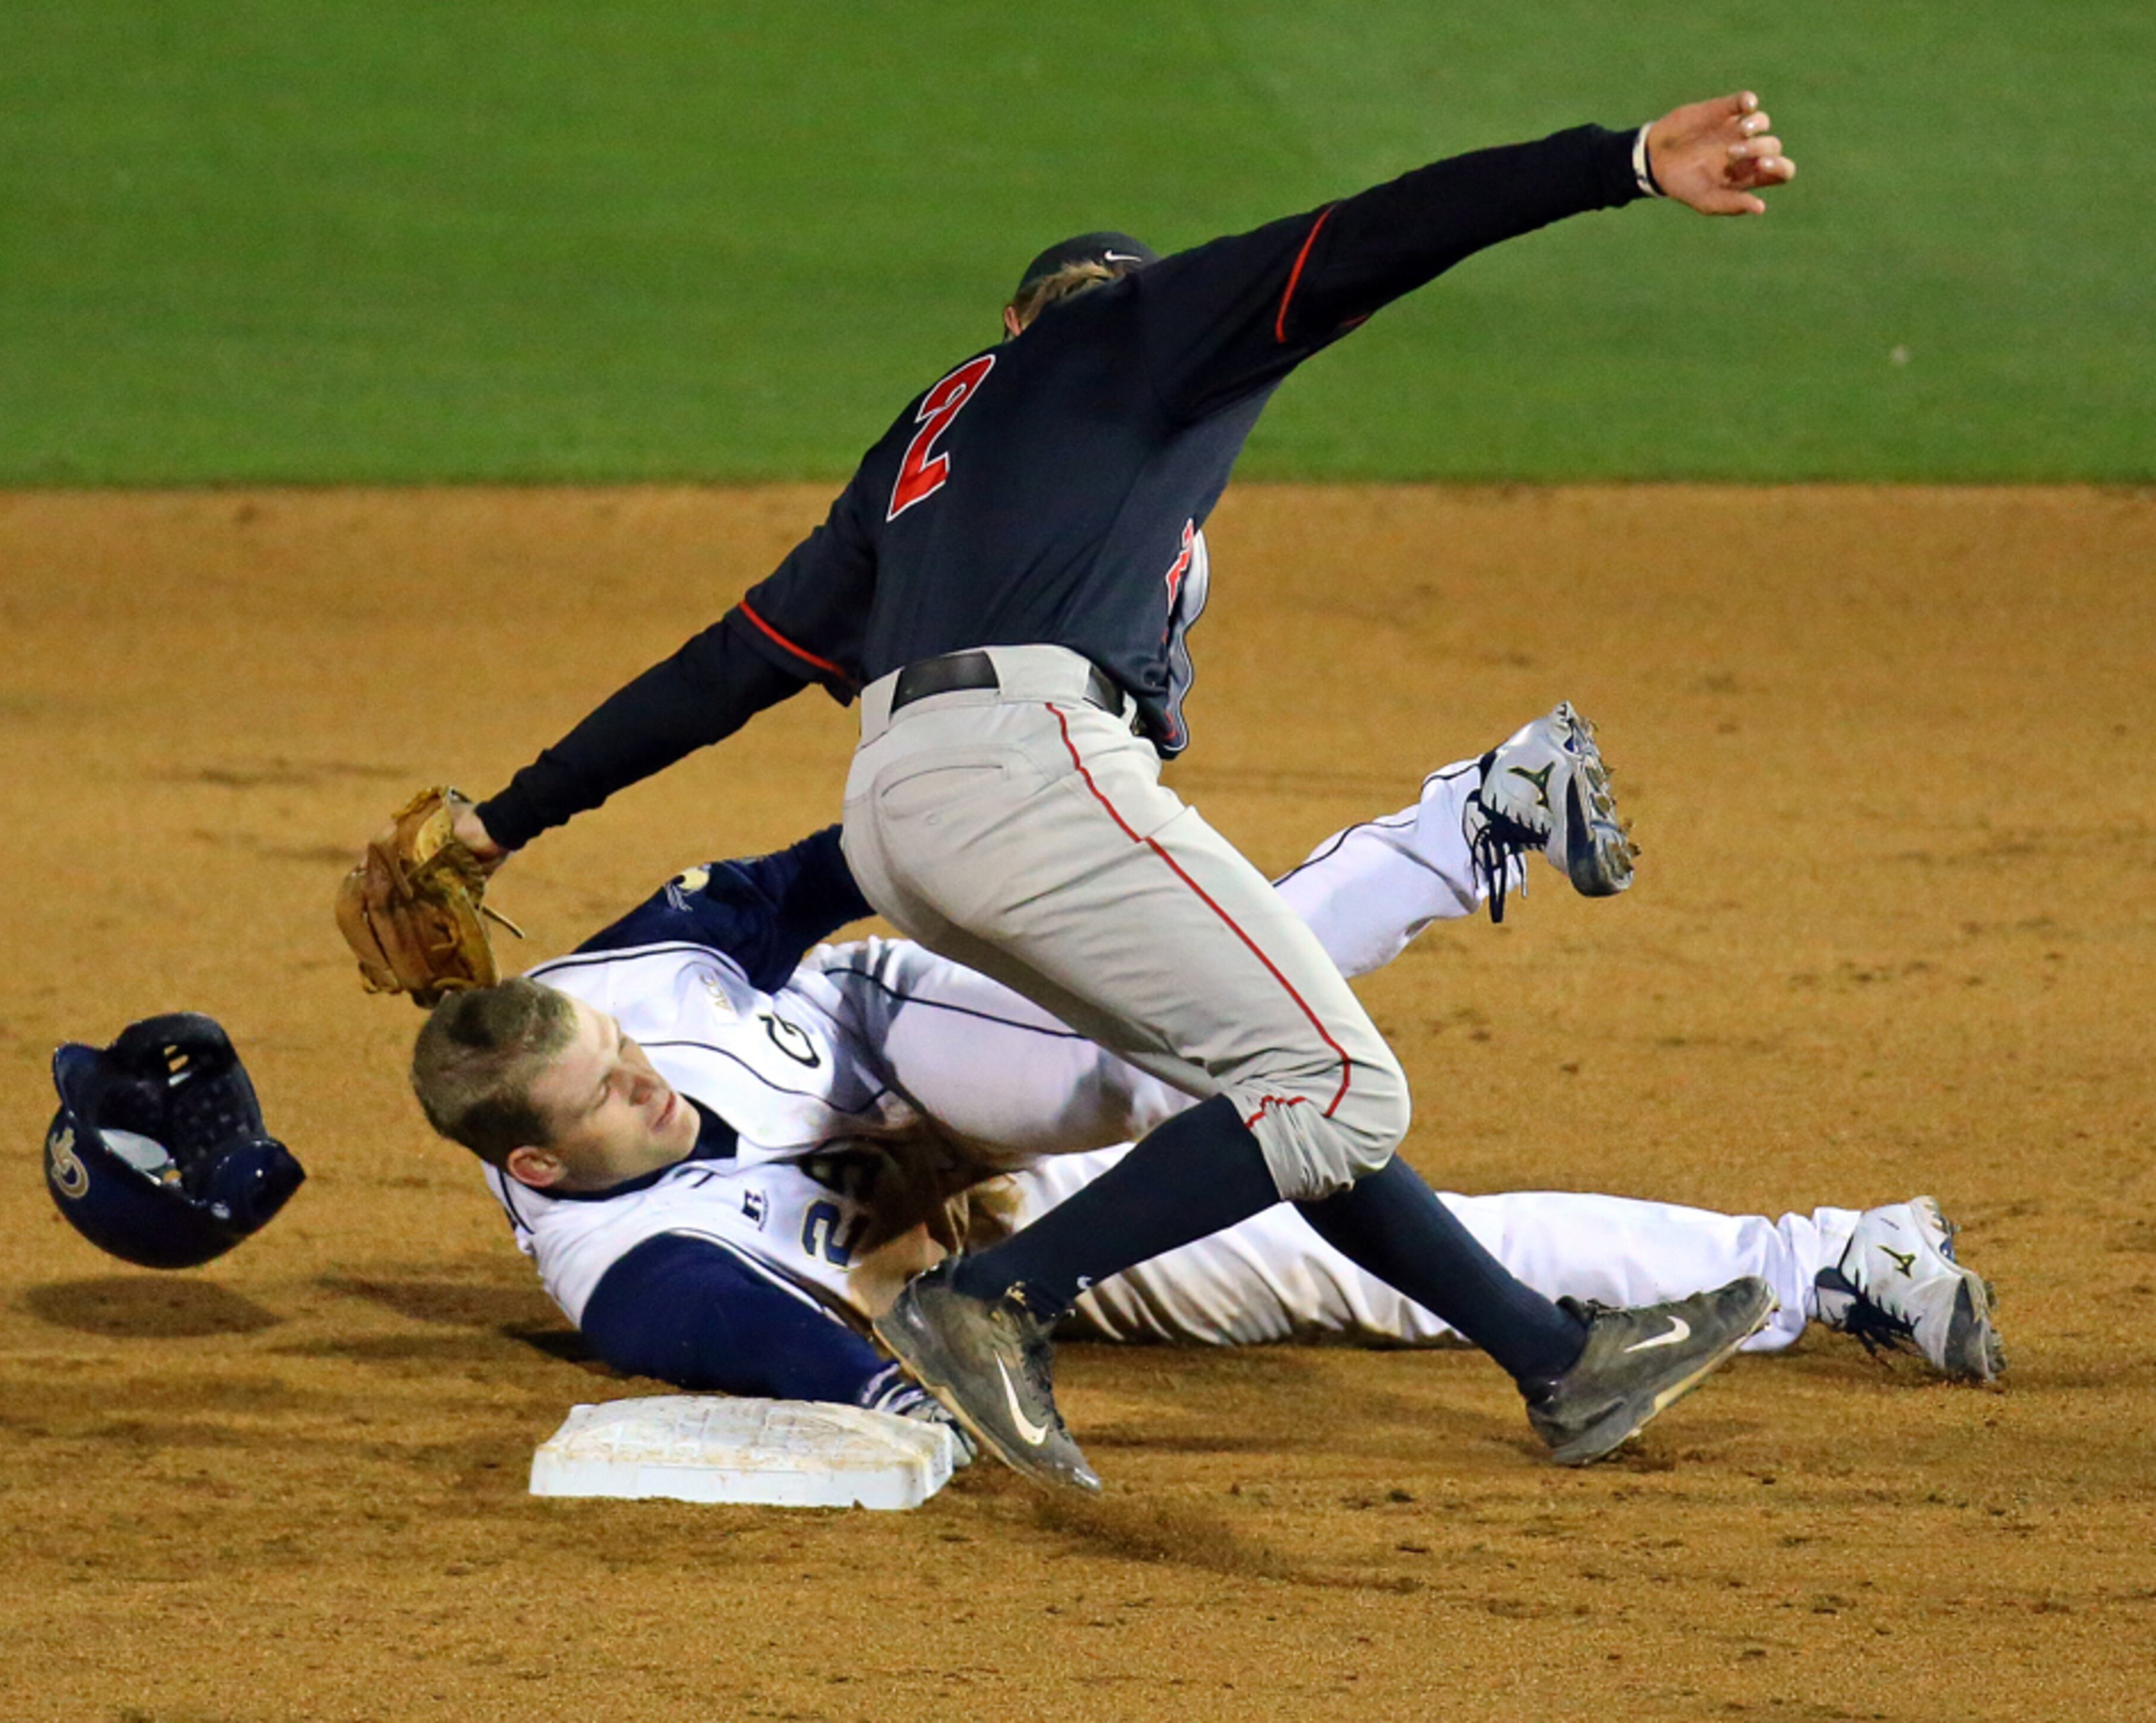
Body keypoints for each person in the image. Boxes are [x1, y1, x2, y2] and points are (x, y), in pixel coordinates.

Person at [427, 94, 1800, 1486]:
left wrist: (503, 818)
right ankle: (1000, 1296)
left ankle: (1563, 1362)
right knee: (1337, 1088)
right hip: (1025, 765)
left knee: (1252, 1085)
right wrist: (1619, 164)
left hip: (894, 816)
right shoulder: (1142, 331)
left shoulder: (924, 448)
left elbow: (736, 663)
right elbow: (1391, 230)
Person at [410, 743, 1998, 1456]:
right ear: (544, 1166)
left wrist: (995, 803)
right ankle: (1843, 1264)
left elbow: (812, 877)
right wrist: (899, 1391)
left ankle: (1466, 827)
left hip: (915, 1045)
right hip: (987, 1241)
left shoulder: (619, 986)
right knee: (1358, 1237)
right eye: (610, 1102)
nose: (646, 1079)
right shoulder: (632, 1274)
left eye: (619, 1050)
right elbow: (792, 1361)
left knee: (1173, 1047)